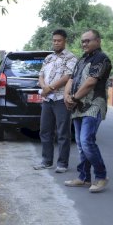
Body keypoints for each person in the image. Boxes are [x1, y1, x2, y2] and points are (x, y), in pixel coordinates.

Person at [63, 30, 112, 193]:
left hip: (94, 104)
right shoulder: (82, 59)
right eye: (82, 41)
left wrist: (74, 98)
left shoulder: (102, 58)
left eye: (88, 41)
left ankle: (101, 176)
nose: (84, 44)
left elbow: (91, 82)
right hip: (77, 106)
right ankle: (84, 177)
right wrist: (66, 96)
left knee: (86, 141)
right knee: (80, 144)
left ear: (98, 41)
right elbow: (71, 79)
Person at [33, 29, 78, 173]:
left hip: (60, 99)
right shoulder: (48, 58)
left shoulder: (70, 58)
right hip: (47, 100)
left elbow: (67, 77)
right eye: (54, 40)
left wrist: (50, 87)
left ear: (65, 41)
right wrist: (45, 87)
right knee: (45, 131)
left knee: (63, 132)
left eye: (59, 40)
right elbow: (40, 75)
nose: (56, 43)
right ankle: (46, 161)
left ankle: (62, 164)